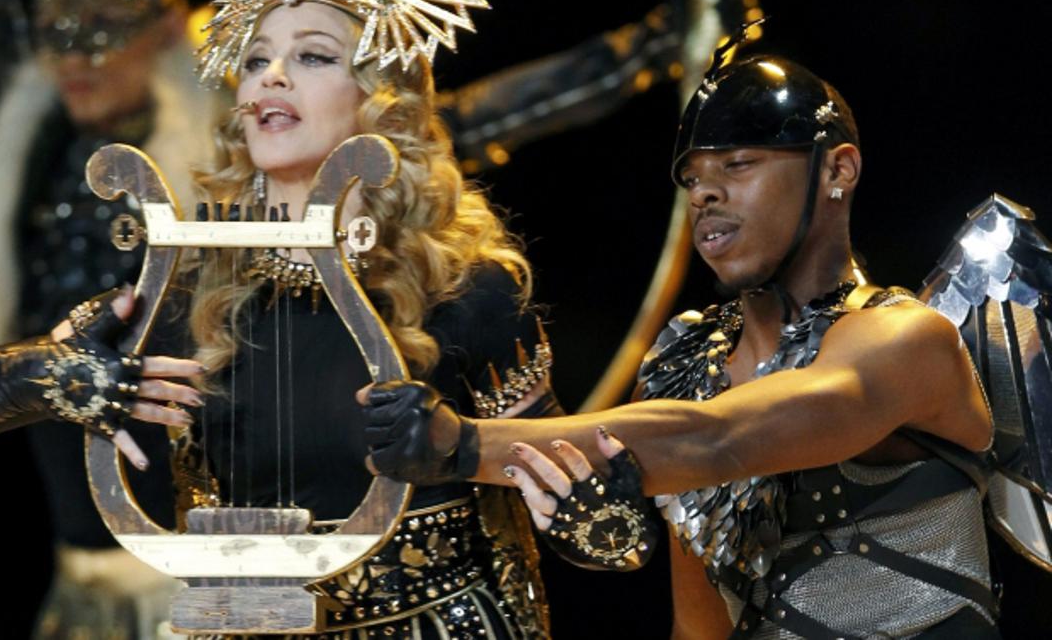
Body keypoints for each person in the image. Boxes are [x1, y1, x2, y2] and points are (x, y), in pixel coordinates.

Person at [0, 0, 559, 636]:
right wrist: (40, 376)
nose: (271, 78)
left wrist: (464, 444)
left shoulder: (467, 289)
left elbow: (601, 541)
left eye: (312, 56)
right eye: (254, 60)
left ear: (379, 97)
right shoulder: (182, 291)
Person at [361, 48, 999, 638]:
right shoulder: (681, 372)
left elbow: (718, 439)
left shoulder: (907, 338)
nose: (704, 193)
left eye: (738, 164)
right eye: (691, 178)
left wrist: (462, 442)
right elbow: (698, 629)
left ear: (839, 167)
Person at [0, 0, 260, 638]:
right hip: (81, 582)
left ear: (163, 31)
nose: (73, 61)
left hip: (201, 582)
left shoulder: (230, 150)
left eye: (102, 33)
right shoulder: (39, 143)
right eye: (56, 34)